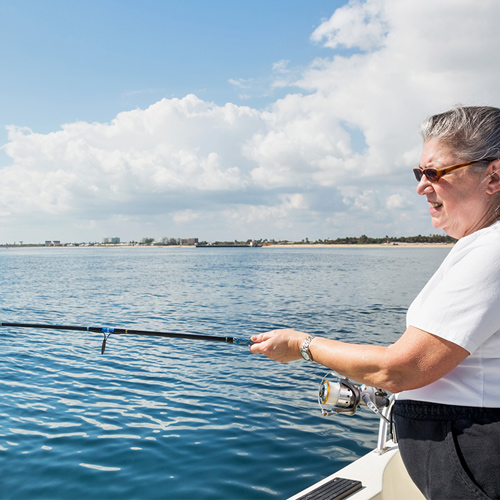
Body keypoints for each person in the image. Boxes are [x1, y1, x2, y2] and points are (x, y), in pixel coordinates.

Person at [250, 106, 500, 500]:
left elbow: (399, 370)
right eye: (419, 174)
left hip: (475, 463)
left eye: (434, 172)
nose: (421, 186)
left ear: (493, 175)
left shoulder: (493, 250)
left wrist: (301, 346)